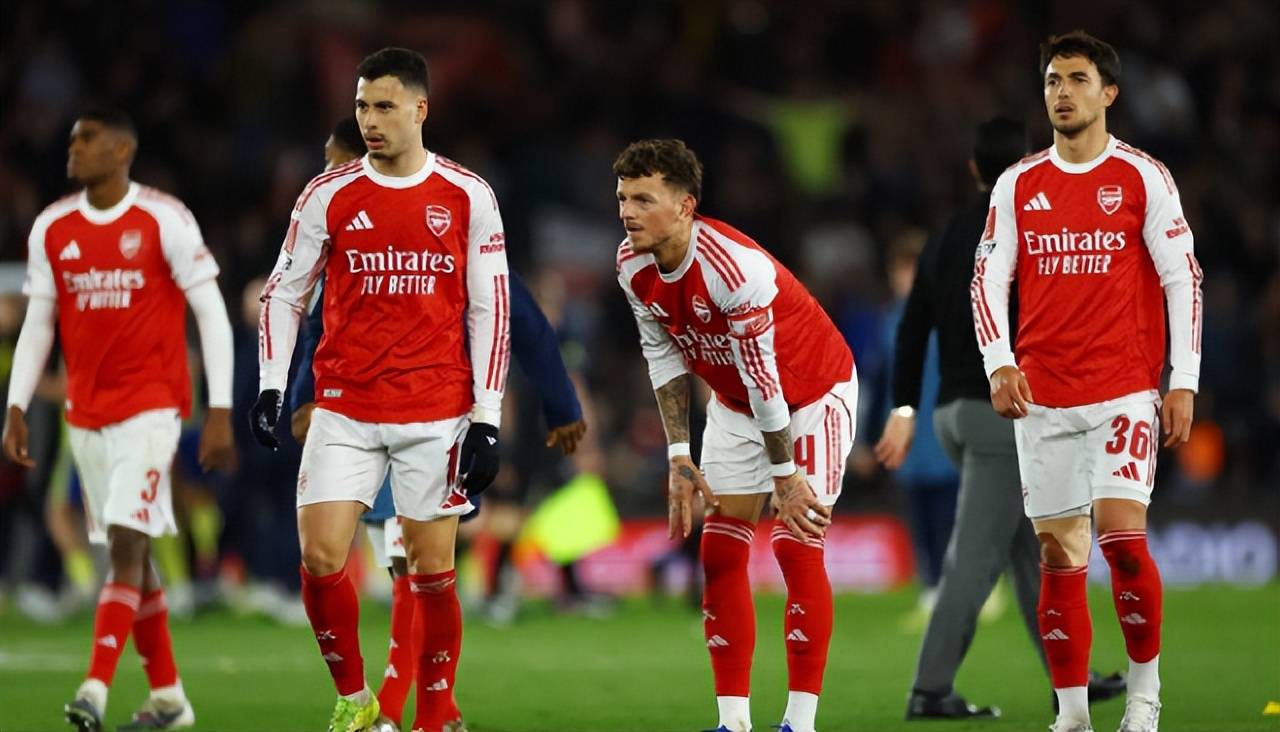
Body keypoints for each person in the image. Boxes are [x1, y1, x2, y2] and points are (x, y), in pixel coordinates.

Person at [288, 111, 586, 732]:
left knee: (413, 567)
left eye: (334, 162)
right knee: (397, 564)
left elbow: (520, 316)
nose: (328, 177)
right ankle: (429, 709)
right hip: (356, 415)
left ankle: (399, 710)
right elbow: (318, 326)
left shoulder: (448, 219)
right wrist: (300, 399)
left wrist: (560, 405)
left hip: (434, 416)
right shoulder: (338, 233)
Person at [250, 48, 511, 732]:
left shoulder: (468, 195)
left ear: (420, 109)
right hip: (345, 407)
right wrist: (273, 384)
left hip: (437, 411)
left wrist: (487, 417)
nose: (370, 119)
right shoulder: (327, 195)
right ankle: (356, 696)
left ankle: (434, 716)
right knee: (320, 557)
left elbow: (492, 310)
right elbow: (283, 293)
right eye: (362, 106)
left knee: (431, 569)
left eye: (385, 106)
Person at [972, 32, 1202, 732]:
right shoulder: (1018, 184)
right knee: (1057, 552)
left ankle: (1144, 697)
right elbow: (987, 277)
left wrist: (1183, 379)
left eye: (1077, 78)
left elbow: (1182, 278)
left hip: (1124, 390)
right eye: (1052, 80)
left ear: (1109, 93)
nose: (1062, 92)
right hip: (1042, 398)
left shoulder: (1142, 177)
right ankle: (1072, 714)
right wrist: (999, 361)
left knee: (1123, 543)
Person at [877, 117, 1125, 719]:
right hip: (1003, 416)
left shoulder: (943, 237)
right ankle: (929, 689)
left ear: (972, 168)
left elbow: (912, 330)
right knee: (974, 560)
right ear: (1032, 163)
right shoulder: (1027, 226)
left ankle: (1073, 678)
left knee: (1035, 553)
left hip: (952, 414)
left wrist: (904, 407)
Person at [2, 106, 235, 732]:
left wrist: (219, 409)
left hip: (152, 409)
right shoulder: (52, 227)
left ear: (122, 150)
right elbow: (39, 324)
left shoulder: (164, 218)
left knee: (127, 545)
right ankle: (169, 699)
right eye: (73, 137)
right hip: (85, 415)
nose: (73, 146)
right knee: (134, 554)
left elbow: (212, 312)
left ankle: (94, 691)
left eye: (88, 138)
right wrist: (16, 405)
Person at [615, 138, 856, 732]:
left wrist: (786, 476)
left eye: (643, 200)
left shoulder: (733, 268)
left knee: (796, 543)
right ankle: (734, 722)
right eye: (622, 198)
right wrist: (678, 455)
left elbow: (764, 378)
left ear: (685, 206)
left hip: (812, 396)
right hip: (734, 405)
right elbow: (663, 357)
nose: (627, 213)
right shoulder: (631, 266)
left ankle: (800, 722)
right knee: (720, 551)